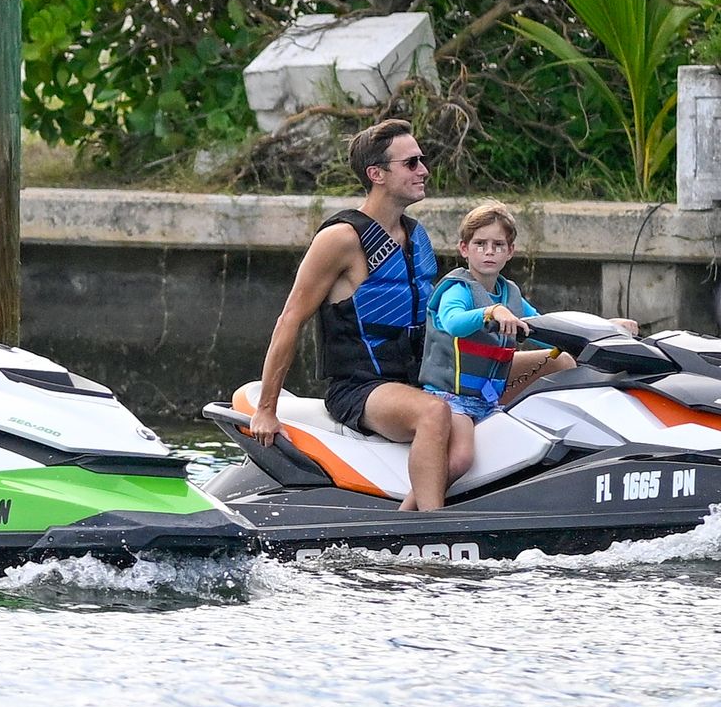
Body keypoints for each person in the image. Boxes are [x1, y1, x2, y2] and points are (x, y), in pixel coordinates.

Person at [249, 118, 461, 511]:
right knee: (434, 413)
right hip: (361, 388)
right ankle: (429, 530)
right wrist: (266, 409)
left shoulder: (416, 237)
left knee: (547, 368)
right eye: (411, 163)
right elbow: (290, 319)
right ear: (376, 174)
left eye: (422, 160)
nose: (424, 170)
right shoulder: (341, 239)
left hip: (419, 377)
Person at [418, 201, 639, 461]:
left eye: (498, 245)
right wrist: (491, 312)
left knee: (522, 439)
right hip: (450, 399)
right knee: (462, 458)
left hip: (488, 400)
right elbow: (453, 322)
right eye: (480, 244)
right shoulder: (457, 289)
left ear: (510, 251)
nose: (489, 252)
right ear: (464, 249)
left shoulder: (510, 293)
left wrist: (607, 326)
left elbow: (545, 328)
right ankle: (415, 503)